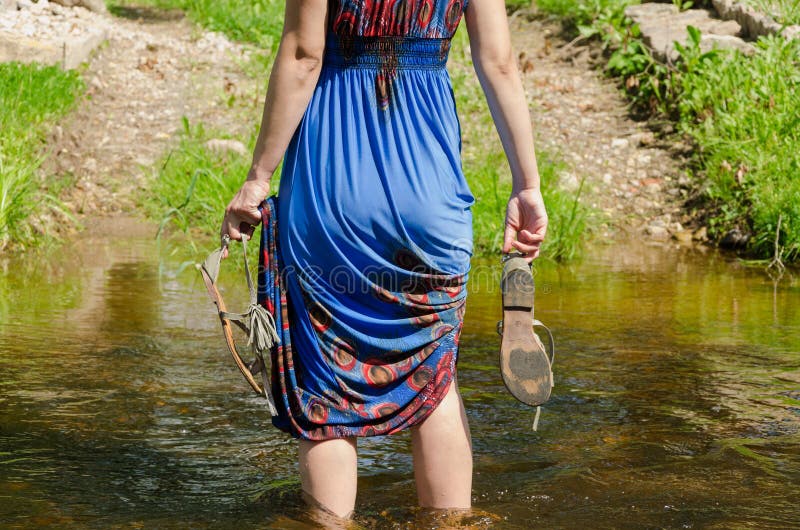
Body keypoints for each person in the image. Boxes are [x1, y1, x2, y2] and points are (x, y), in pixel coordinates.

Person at [219, 0, 547, 521]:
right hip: (429, 187)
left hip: (333, 189)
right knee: (436, 384)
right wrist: (526, 185)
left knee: (325, 390)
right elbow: (499, 62)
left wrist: (258, 178)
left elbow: (305, 56)